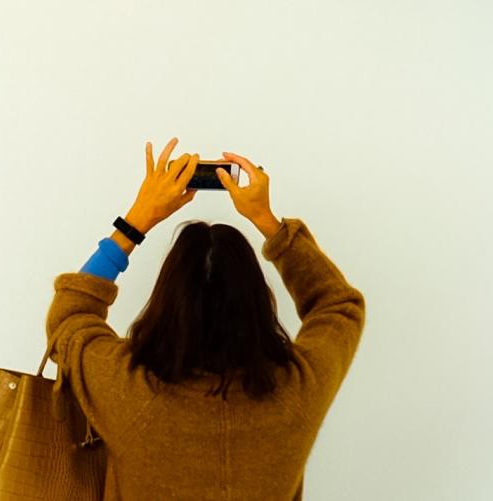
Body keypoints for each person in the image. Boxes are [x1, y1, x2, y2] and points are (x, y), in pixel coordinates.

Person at [48, 138, 367, 499]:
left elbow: (70, 314)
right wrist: (268, 221)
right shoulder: (296, 390)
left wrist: (137, 221)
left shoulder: (127, 389)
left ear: (167, 302)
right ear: (257, 303)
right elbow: (339, 305)